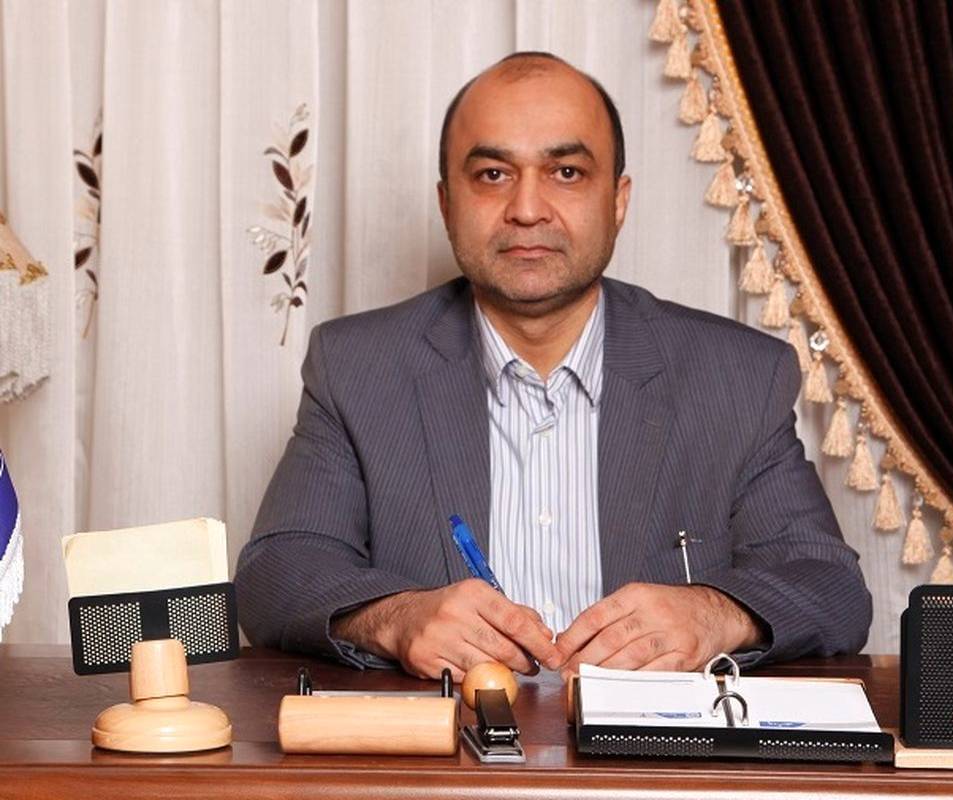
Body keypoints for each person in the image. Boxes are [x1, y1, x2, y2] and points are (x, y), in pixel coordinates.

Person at [235, 52, 871, 681]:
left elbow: (830, 586)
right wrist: (397, 618)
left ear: (617, 200)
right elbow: (277, 572)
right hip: (449, 744)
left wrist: (715, 613)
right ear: (446, 203)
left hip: (647, 747)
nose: (527, 208)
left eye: (566, 172)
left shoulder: (737, 375)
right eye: (492, 174)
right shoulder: (357, 367)